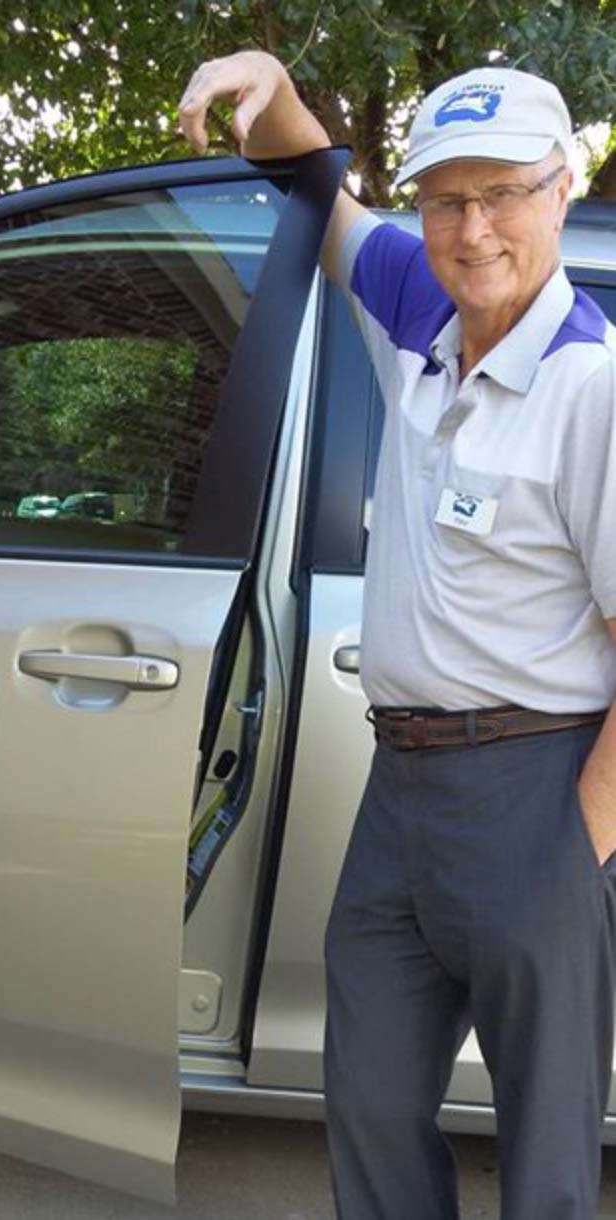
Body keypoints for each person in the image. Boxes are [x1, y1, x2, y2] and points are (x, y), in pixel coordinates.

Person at [179, 53, 616, 1220]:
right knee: (367, 1104)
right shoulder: (419, 309)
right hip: (401, 791)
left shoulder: (593, 390)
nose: (472, 231)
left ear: (563, 185)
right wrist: (268, 86)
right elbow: (319, 185)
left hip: (537, 788)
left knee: (549, 1155)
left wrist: (580, 845)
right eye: (443, 200)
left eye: (504, 194)